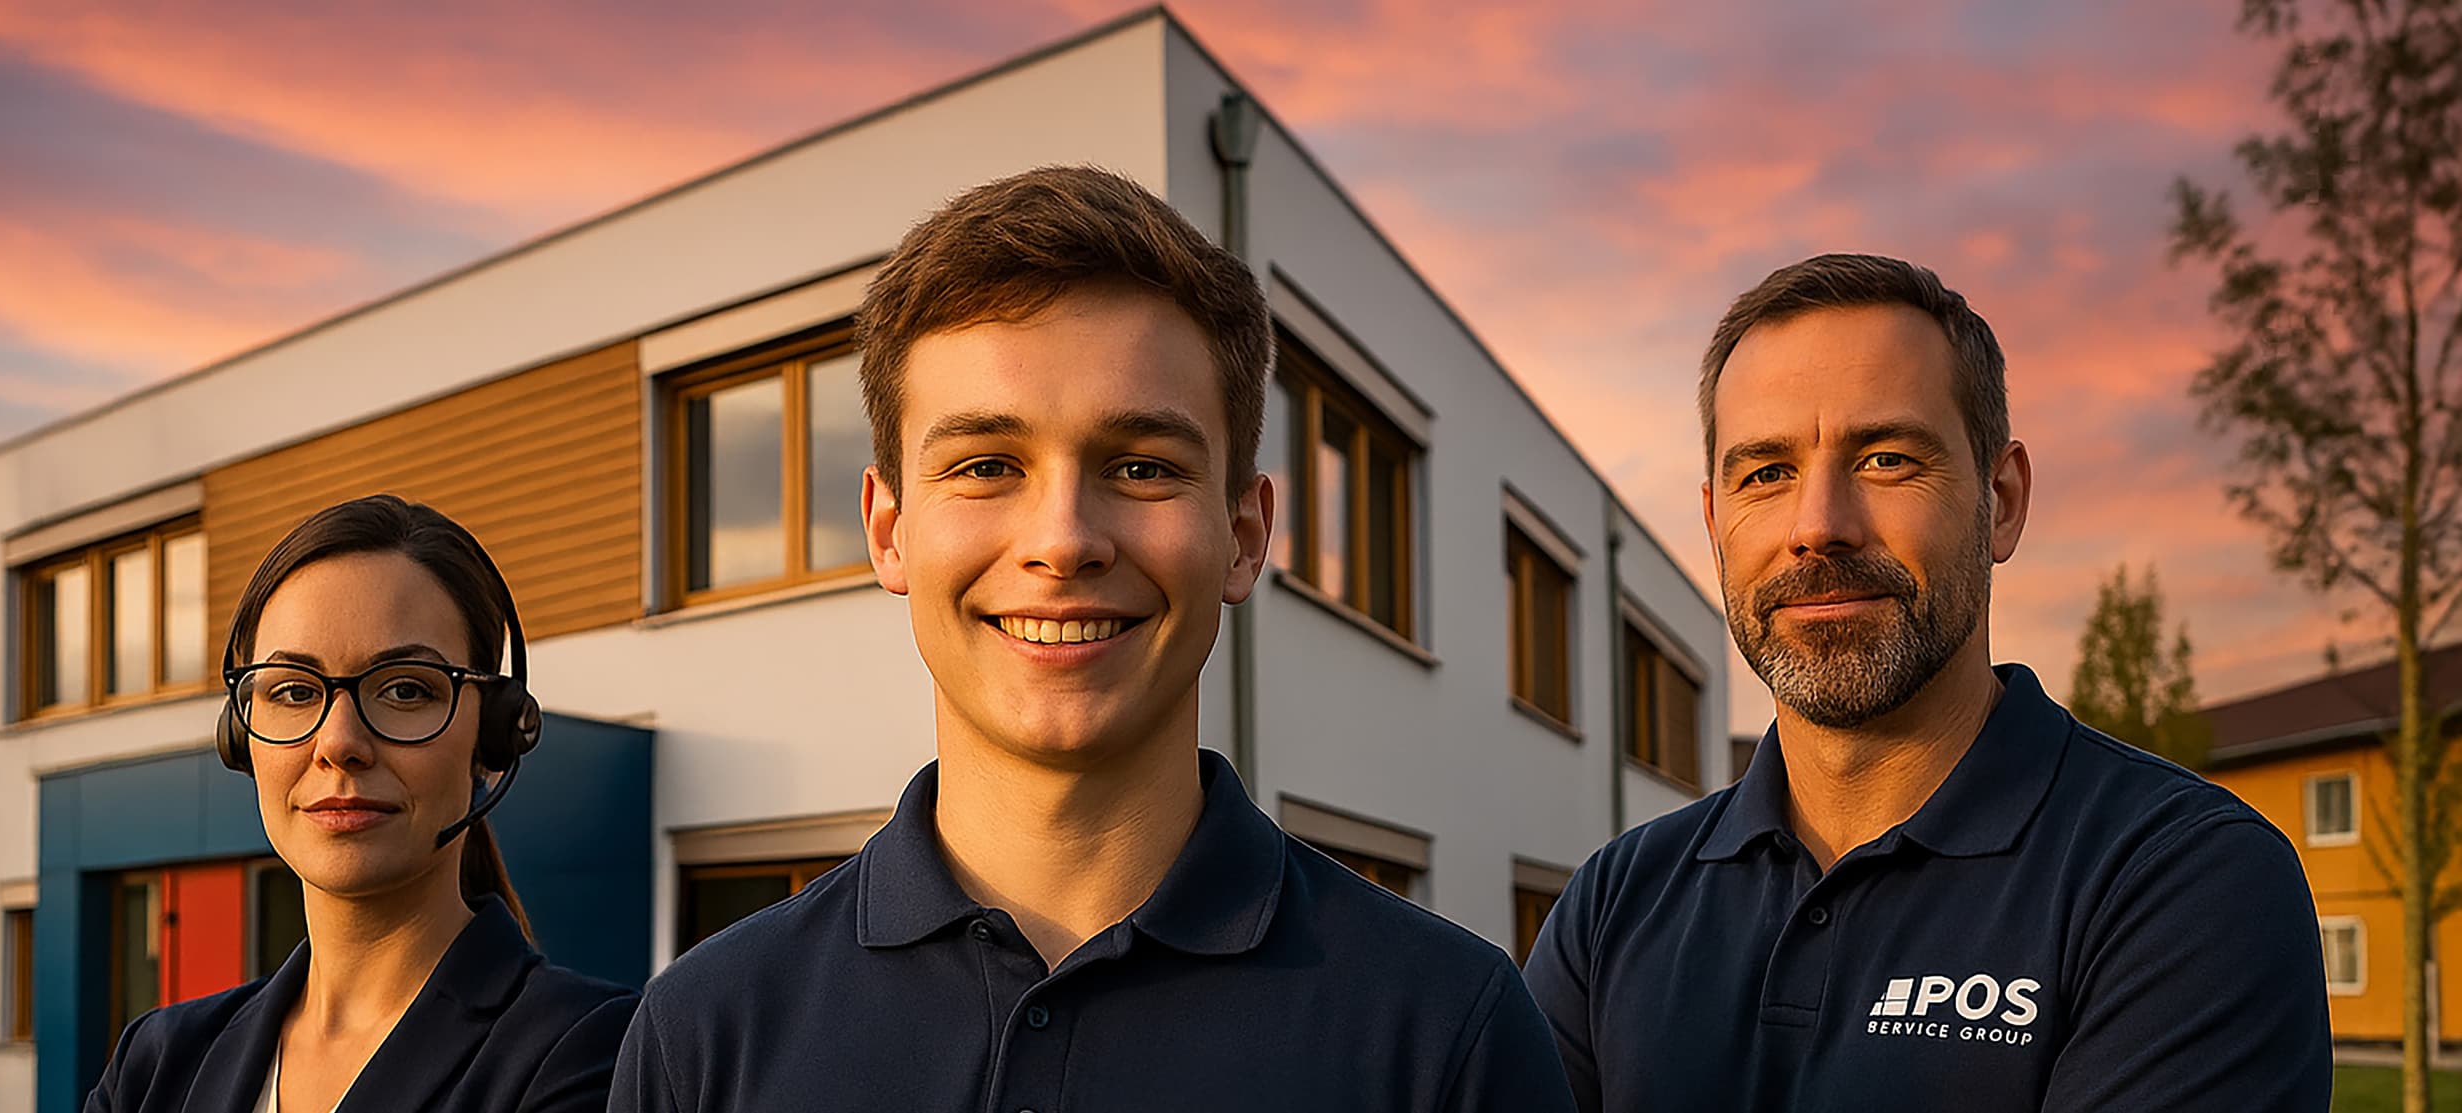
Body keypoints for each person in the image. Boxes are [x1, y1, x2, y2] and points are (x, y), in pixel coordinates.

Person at [609, 165, 1570, 1112]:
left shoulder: (1451, 1034)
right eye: (987, 464)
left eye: (1144, 468)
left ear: (1243, 539)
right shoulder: (703, 1036)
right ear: (888, 529)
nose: (1064, 539)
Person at [1522, 254, 2332, 1110]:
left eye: (1886, 459)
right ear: (1717, 524)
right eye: (1766, 473)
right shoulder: (1614, 904)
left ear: (2003, 499)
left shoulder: (2184, 882)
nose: (1819, 526)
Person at [83, 495, 631, 1113]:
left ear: (495, 735)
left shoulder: (599, 1054)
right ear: (241, 737)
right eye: (292, 690)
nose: (339, 743)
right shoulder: (155, 1067)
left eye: (404, 689)